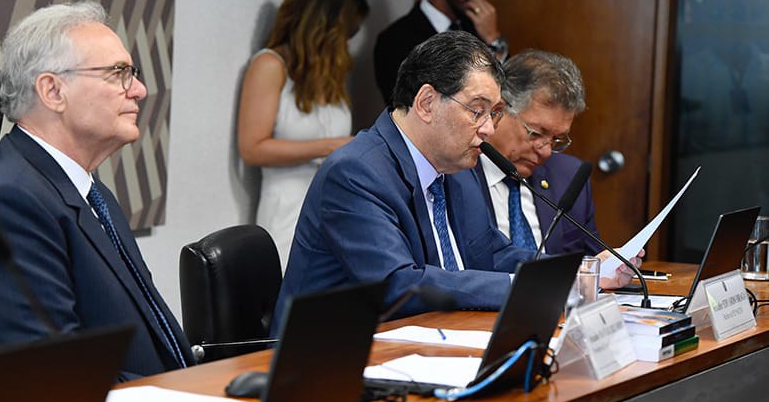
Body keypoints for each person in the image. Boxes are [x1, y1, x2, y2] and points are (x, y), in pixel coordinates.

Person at [273, 32, 637, 327]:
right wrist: (526, 289)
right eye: (477, 111)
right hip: (329, 360)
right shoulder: (356, 173)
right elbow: (399, 285)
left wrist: (580, 273)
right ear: (427, 103)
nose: (489, 129)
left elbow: (493, 253)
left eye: (494, 114)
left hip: (425, 343)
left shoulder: (454, 168)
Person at [0, 1, 195, 381]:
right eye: (118, 74)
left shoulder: (91, 192)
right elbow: (55, 375)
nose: (139, 90)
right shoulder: (7, 202)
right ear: (53, 91)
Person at [237, 0, 369, 272]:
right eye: (348, 34)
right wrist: (334, 146)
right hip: (287, 212)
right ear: (326, 28)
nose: (349, 46)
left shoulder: (330, 74)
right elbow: (252, 148)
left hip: (333, 211)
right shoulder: (270, 65)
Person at [479, 50, 602, 255]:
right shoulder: (455, 173)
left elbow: (589, 259)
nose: (545, 151)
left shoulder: (569, 177)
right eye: (535, 133)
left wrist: (607, 267)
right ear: (498, 110)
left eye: (556, 139)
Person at [373, 0, 508, 104]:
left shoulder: (477, 30)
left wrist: (493, 40)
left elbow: (514, 97)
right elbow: (407, 106)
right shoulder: (395, 38)